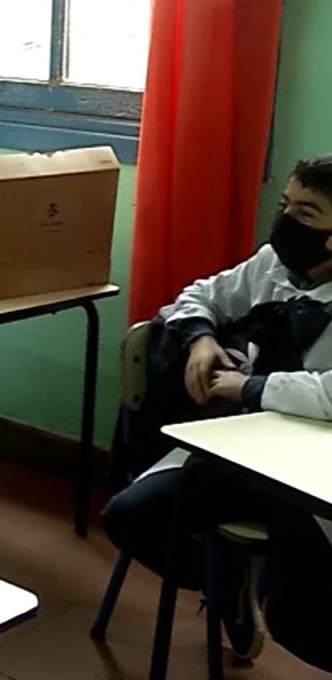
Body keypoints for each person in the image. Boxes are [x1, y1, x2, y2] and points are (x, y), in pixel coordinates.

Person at [101, 155, 332, 671]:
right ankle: (226, 582)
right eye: (285, 205)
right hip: (237, 451)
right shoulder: (272, 265)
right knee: (128, 517)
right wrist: (201, 339)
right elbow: (199, 295)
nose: (287, 221)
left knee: (300, 619)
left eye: (307, 213)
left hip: (311, 475)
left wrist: (252, 387)